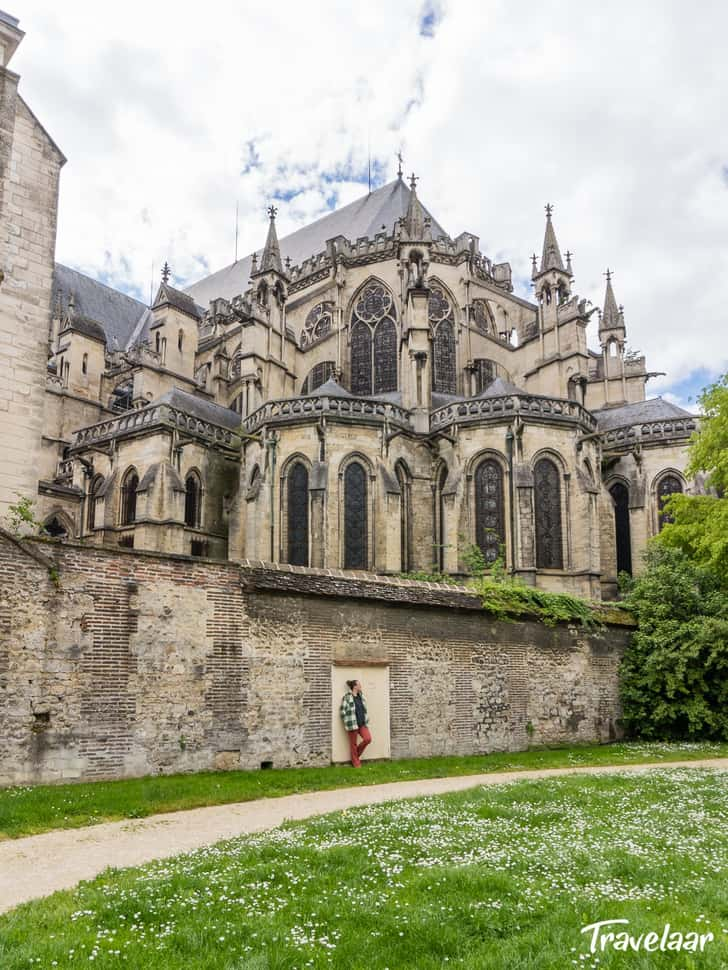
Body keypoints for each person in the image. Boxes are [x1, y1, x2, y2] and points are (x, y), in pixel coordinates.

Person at [340, 679, 371, 767]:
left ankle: (355, 755)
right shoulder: (347, 697)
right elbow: (342, 711)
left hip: (362, 723)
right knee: (353, 744)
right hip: (352, 724)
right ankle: (356, 763)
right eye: (359, 685)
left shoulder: (361, 696)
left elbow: (364, 710)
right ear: (355, 687)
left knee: (367, 739)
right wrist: (346, 721)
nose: (361, 686)